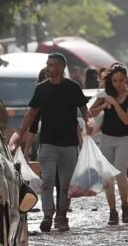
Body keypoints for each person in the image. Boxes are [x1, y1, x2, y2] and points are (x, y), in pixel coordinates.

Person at [10, 53, 92, 232]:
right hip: (47, 143)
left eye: (52, 64)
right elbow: (31, 115)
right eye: (47, 64)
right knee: (47, 180)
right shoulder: (41, 89)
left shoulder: (73, 88)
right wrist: (19, 137)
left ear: (61, 68)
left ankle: (62, 215)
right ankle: (47, 215)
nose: (48, 67)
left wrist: (89, 121)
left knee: (65, 183)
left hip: (69, 144)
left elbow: (84, 110)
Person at [89, 63, 128, 225]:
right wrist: (104, 104)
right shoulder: (104, 94)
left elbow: (126, 119)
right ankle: (112, 211)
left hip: (123, 139)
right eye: (115, 80)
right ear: (110, 80)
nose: (118, 84)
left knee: (120, 173)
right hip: (107, 138)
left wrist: (115, 103)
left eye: (121, 80)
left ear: (126, 80)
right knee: (107, 176)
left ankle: (125, 205)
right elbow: (90, 113)